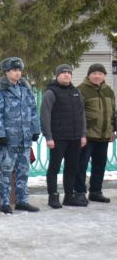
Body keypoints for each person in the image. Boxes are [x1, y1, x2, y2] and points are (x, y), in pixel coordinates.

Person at [0, 57, 40, 214]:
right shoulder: (0, 89)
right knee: (5, 171)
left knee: (23, 172)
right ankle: (4, 202)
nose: (17, 73)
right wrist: (1, 134)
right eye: (14, 70)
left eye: (19, 70)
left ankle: (22, 201)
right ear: (6, 72)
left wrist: (35, 129)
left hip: (24, 138)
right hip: (8, 139)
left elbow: (32, 109)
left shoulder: (25, 87)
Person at [40, 64, 87, 208]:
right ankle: (53, 197)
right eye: (63, 73)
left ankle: (69, 196)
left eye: (69, 73)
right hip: (58, 138)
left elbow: (82, 114)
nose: (66, 75)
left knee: (72, 168)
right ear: (57, 75)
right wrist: (48, 136)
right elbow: (45, 115)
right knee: (54, 168)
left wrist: (83, 134)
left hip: (74, 138)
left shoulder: (76, 92)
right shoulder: (51, 92)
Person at [76, 63, 114, 203]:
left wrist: (112, 130)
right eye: (94, 73)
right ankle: (79, 192)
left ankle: (96, 191)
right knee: (81, 165)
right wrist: (81, 134)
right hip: (87, 136)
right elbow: (77, 114)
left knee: (100, 164)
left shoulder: (108, 90)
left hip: (104, 135)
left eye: (100, 73)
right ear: (89, 75)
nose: (97, 76)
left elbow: (112, 113)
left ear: (104, 75)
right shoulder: (81, 90)